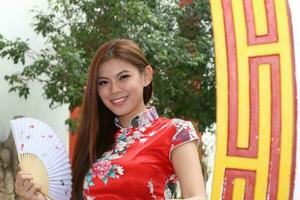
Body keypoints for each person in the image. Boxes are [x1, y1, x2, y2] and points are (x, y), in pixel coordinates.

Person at [15, 39, 206, 200]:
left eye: (123, 77)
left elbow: (197, 196)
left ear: (146, 76)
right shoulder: (97, 141)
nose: (114, 89)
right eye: (103, 82)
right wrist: (36, 196)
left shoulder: (175, 132)